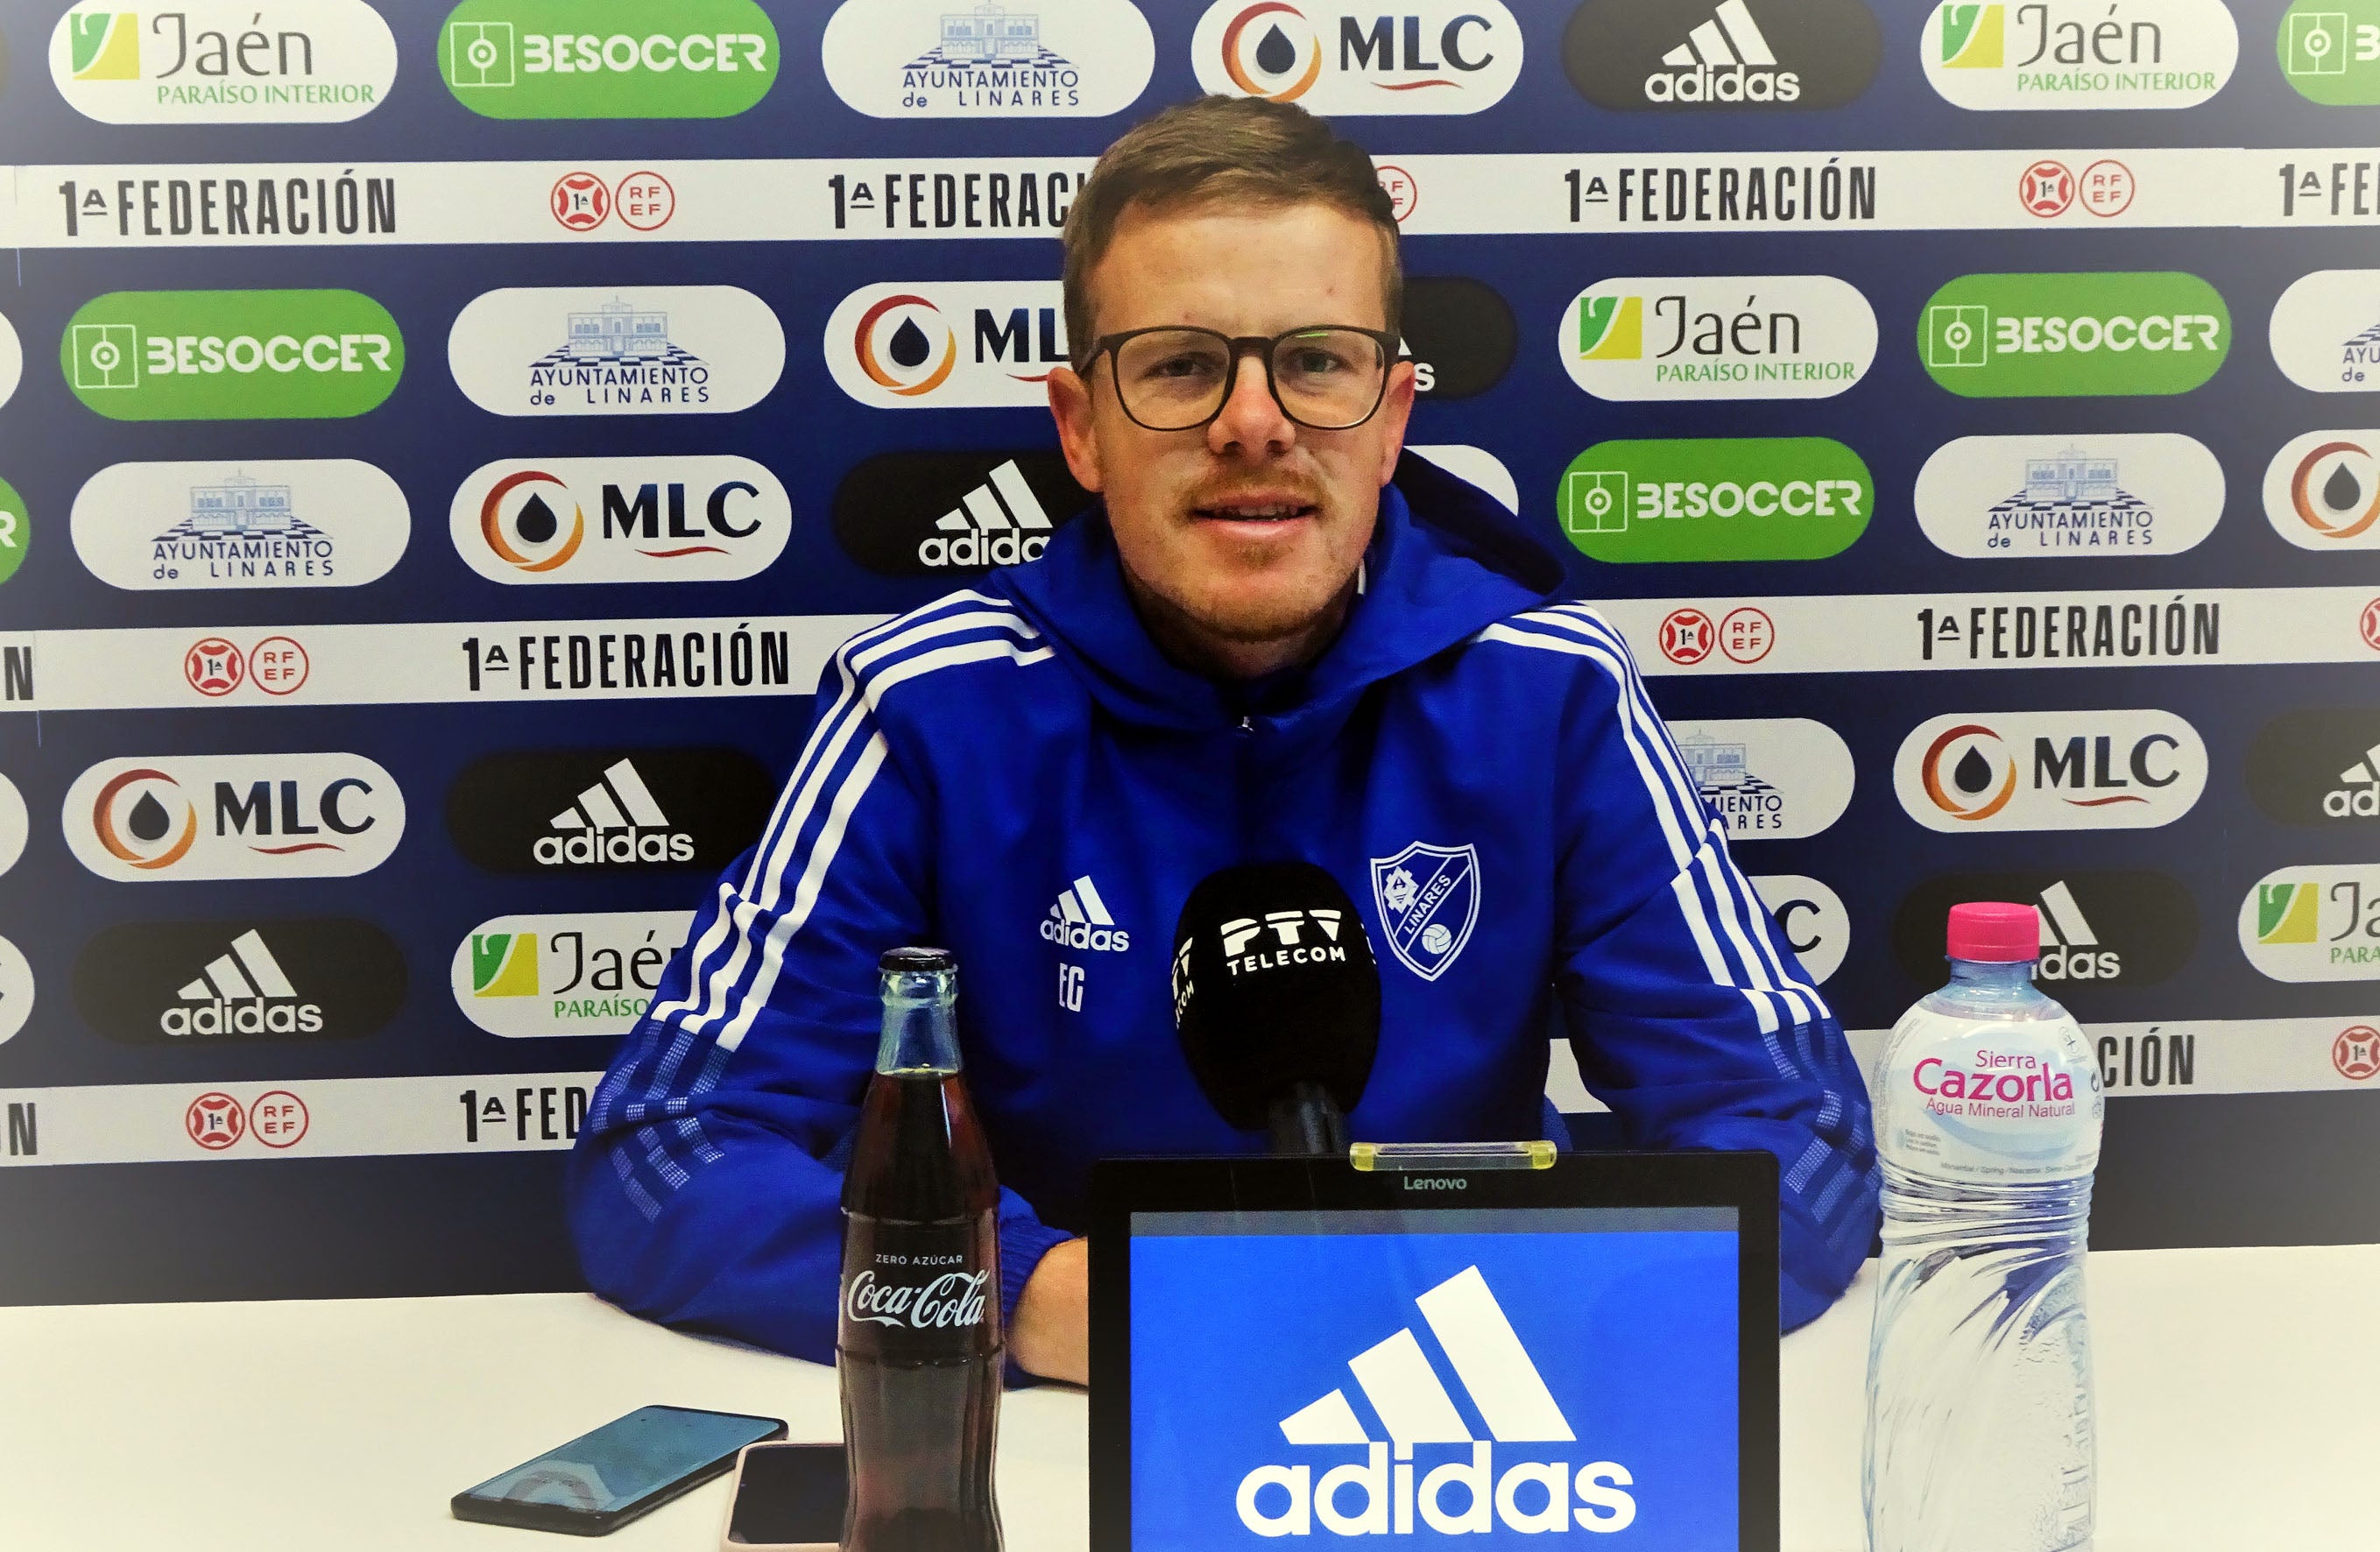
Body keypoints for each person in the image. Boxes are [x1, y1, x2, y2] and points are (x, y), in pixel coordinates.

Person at [567, 96, 1877, 1386]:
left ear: (1393, 416)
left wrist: (1537, 1301)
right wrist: (1022, 1292)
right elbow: (664, 1147)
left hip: (1461, 1421)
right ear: (1079, 427)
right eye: (1182, 365)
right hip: (1075, 1430)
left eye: (1315, 361)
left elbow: (1799, 1141)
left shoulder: (1548, 694)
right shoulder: (925, 706)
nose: (1253, 423)